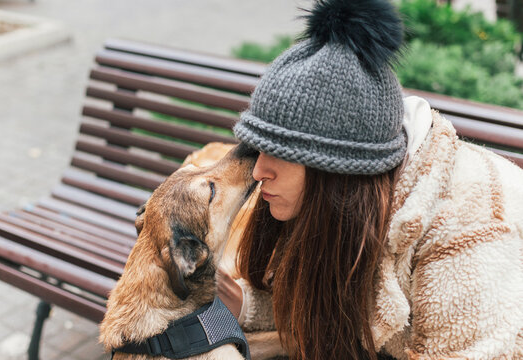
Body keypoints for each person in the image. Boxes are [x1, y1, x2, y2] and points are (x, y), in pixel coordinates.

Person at [217, 0, 523, 359]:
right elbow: (326, 300)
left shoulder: (466, 223)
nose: (258, 171)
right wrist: (242, 304)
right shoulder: (347, 202)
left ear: (340, 169)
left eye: (282, 153)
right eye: (258, 149)